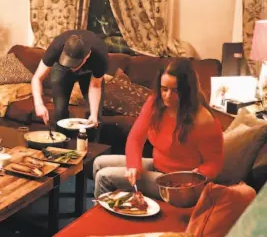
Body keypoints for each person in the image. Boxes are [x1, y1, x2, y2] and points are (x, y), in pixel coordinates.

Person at [93, 59, 224, 199]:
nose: (167, 96)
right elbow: (136, 138)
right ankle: (113, 208)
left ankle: (101, 218)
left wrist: (195, 175)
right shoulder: (155, 103)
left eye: (175, 91)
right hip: (157, 165)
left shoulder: (203, 120)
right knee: (98, 163)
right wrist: (133, 166)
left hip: (176, 183)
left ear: (186, 90)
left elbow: (215, 162)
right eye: (164, 89)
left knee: (104, 177)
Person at [31, 30, 108, 130]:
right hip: (61, 68)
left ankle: (89, 144)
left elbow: (95, 85)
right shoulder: (57, 46)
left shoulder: (100, 54)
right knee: (60, 112)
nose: (71, 67)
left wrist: (93, 115)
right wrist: (39, 104)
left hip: (89, 74)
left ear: (87, 55)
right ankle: (61, 144)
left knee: (94, 117)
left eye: (74, 63)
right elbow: (37, 78)